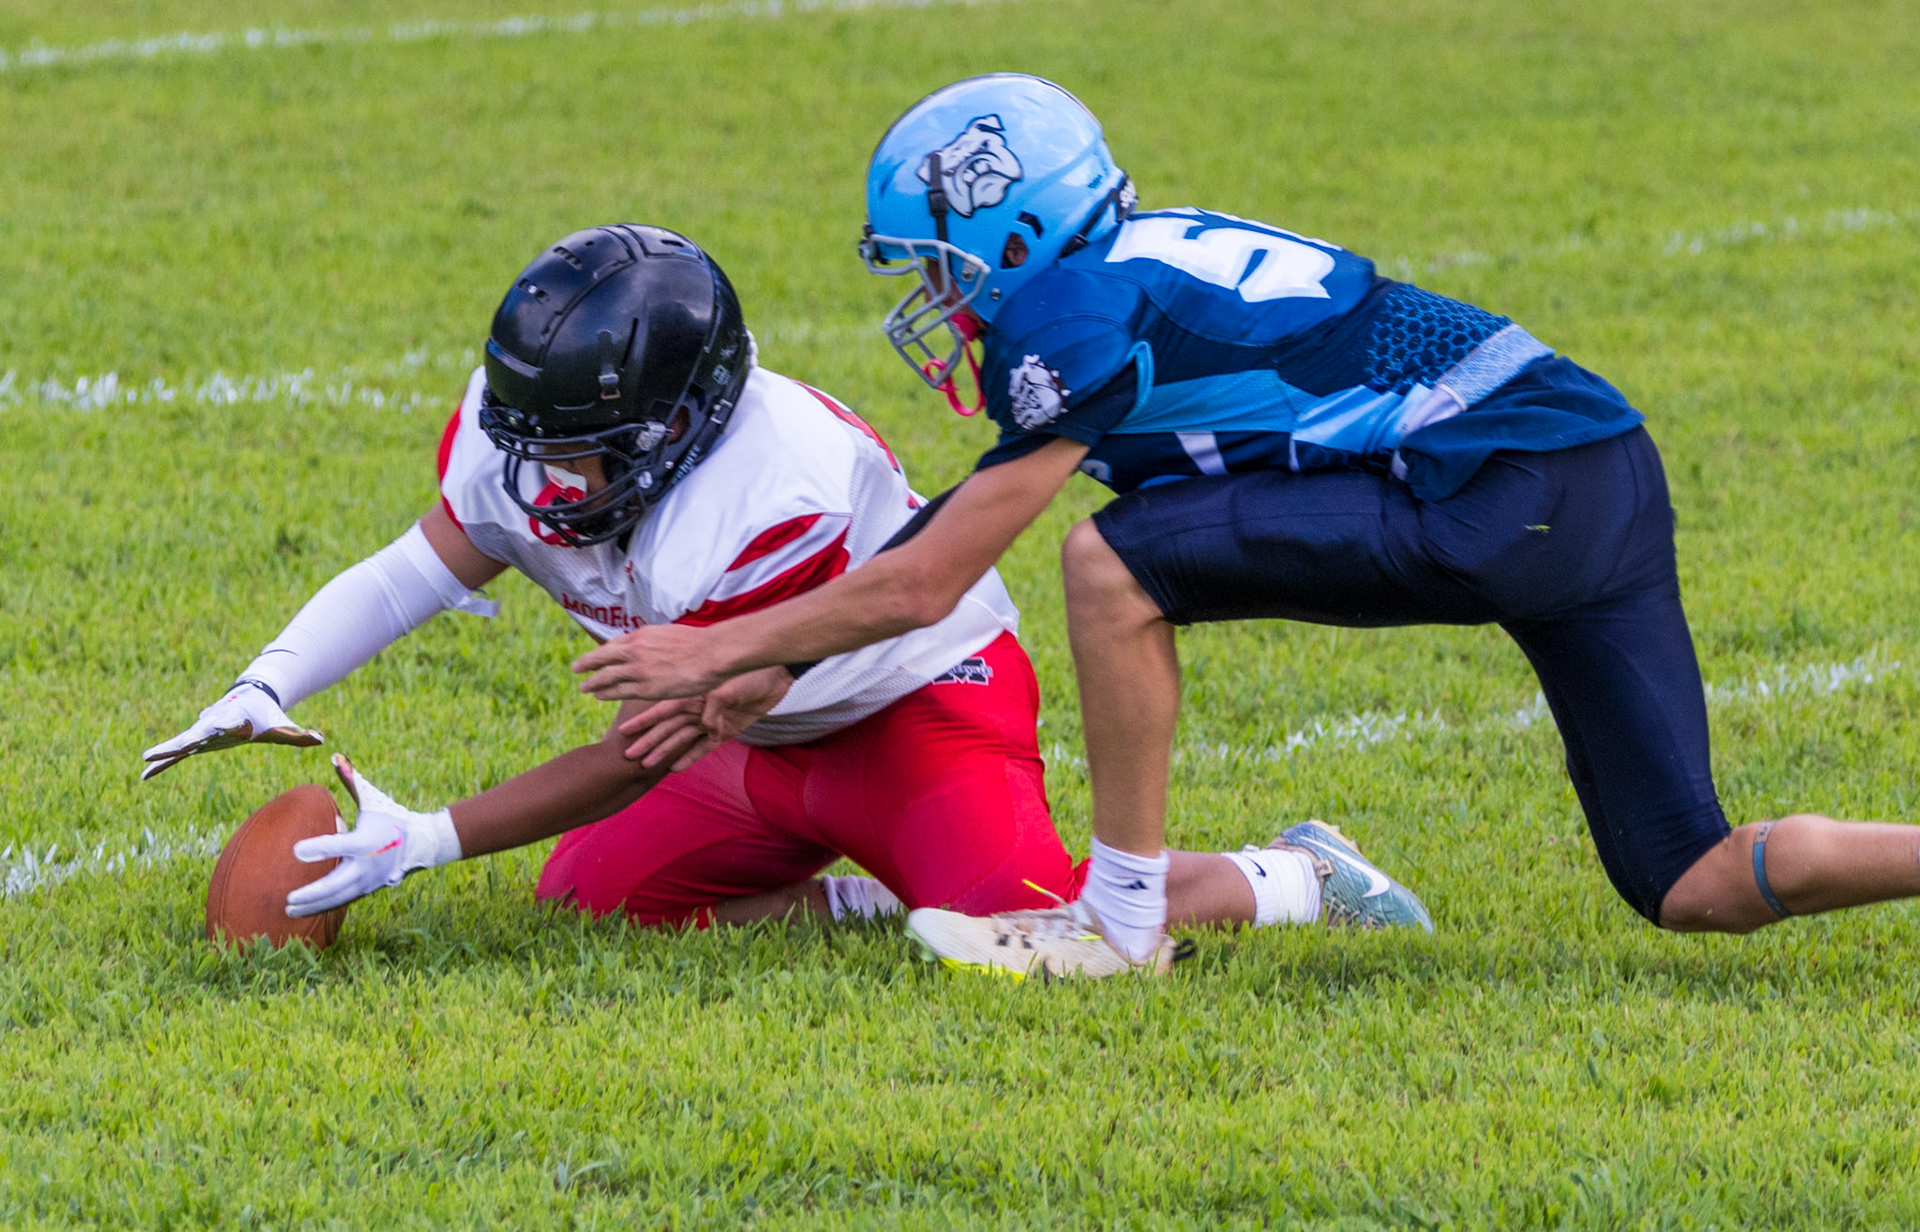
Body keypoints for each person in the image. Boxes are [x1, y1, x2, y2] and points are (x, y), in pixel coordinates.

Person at [569, 76, 1920, 978]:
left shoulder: (1068, 309)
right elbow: (948, 529)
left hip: (1493, 491)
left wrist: (717, 648)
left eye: (944, 262)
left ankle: (1122, 925)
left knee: (1112, 563)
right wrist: (784, 655)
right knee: (1690, 881)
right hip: (1596, 464)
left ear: (1016, 233)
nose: (941, 296)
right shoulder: (1127, 261)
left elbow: (932, 578)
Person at [139, 222, 1430, 967]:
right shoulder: (527, 439)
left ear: (679, 426)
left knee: (1048, 937)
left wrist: (433, 837)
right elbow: (414, 570)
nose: (544, 478)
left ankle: (1294, 874)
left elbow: (640, 752)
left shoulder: (772, 492)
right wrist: (266, 680)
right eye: (532, 440)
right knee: (592, 904)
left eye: (582, 451)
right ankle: (882, 887)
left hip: (917, 705)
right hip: (761, 745)